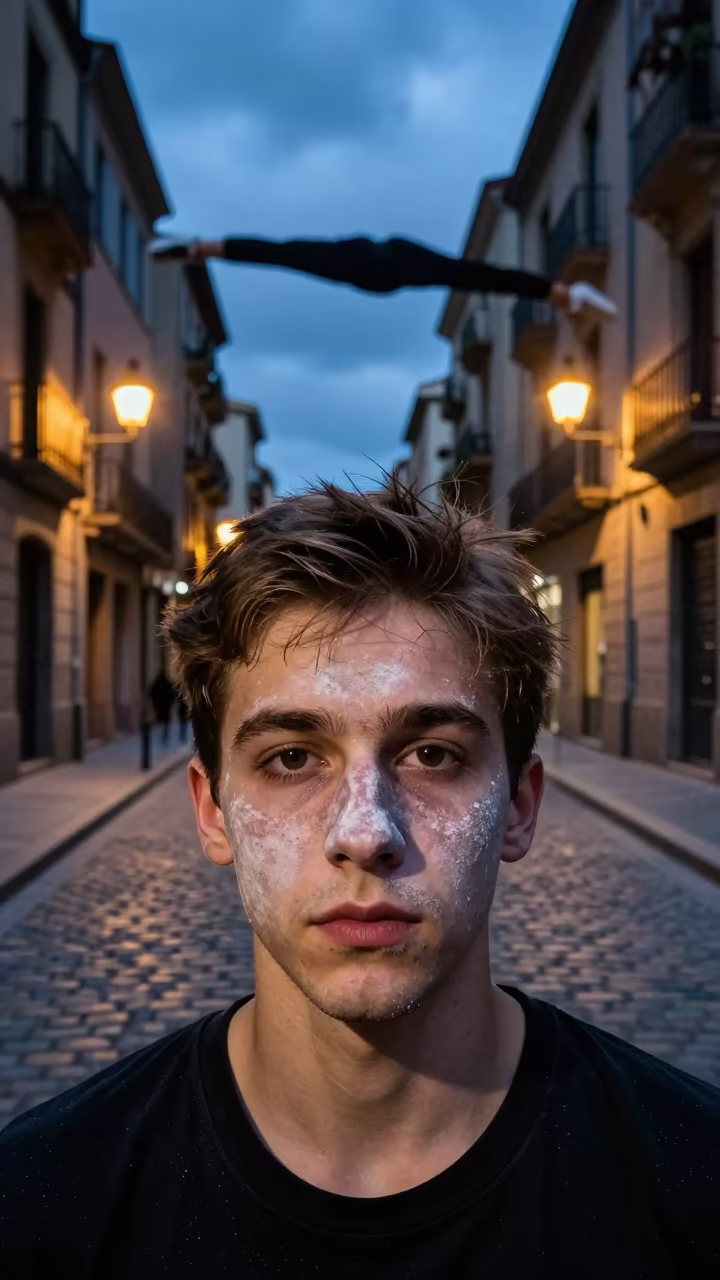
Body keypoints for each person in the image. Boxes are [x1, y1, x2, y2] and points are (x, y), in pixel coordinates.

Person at [1, 480, 718, 1278]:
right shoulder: (42, 1209)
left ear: (518, 805)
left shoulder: (692, 1190)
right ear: (213, 812)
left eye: (433, 754)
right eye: (292, 758)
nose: (366, 833)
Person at [152, 232, 617, 326]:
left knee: (287, 254)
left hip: (377, 260)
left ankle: (197, 246)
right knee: (475, 276)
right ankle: (564, 295)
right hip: (389, 258)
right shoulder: (392, 267)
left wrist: (204, 249)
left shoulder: (350, 263)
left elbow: (278, 253)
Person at [148, 667, 175, 745]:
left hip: (161, 705)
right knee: (164, 721)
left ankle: (162, 735)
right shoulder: (164, 683)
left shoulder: (158, 683)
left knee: (161, 720)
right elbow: (172, 694)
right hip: (164, 705)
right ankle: (163, 735)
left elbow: (152, 692)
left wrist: (155, 702)